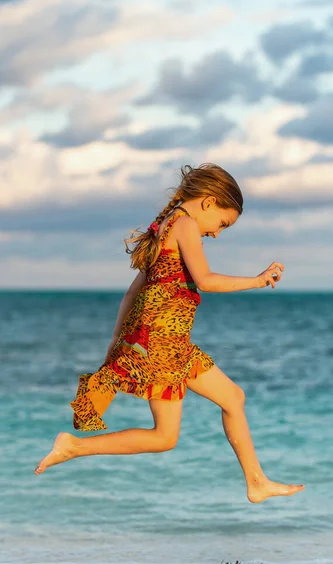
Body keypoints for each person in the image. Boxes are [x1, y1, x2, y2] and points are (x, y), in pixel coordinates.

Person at [34, 163, 305, 503]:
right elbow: (206, 281)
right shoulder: (185, 224)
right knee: (165, 437)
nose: (217, 233)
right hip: (161, 346)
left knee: (233, 398)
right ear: (208, 202)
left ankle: (257, 482)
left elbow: (134, 291)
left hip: (167, 343)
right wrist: (258, 279)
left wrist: (117, 342)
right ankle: (74, 446)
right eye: (222, 223)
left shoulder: (165, 226)